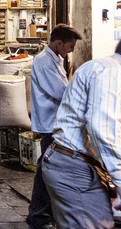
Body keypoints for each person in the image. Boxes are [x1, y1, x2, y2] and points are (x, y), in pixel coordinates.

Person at [41, 41, 121, 229]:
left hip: (81, 164)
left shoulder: (105, 69)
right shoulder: (111, 73)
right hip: (73, 166)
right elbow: (104, 130)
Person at [26, 24, 82, 229]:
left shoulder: (55, 59)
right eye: (70, 46)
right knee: (46, 170)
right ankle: (38, 216)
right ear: (58, 43)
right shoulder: (43, 61)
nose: (71, 51)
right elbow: (60, 91)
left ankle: (42, 215)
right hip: (50, 123)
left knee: (49, 168)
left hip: (56, 121)